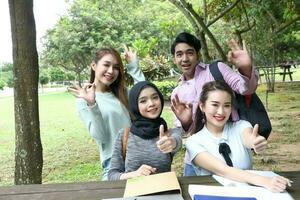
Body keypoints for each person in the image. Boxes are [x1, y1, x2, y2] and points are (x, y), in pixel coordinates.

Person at [170, 32, 259, 176]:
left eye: (190, 53)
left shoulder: (218, 69)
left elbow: (245, 88)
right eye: (179, 54)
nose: (184, 58)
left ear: (197, 55)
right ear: (174, 59)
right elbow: (184, 131)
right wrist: (186, 123)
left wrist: (246, 69)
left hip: (230, 150)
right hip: (198, 158)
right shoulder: (177, 93)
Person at [186, 80, 291, 193]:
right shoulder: (193, 142)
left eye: (227, 105)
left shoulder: (241, 126)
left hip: (250, 195)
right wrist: (266, 182)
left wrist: (255, 142)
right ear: (202, 106)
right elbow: (223, 171)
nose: (221, 112)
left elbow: (249, 138)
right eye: (215, 105)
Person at [68, 46, 145, 180]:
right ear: (93, 65)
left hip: (138, 156)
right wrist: (93, 105)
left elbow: (145, 94)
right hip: (114, 163)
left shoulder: (122, 93)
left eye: (116, 67)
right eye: (106, 65)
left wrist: (133, 66)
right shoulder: (84, 100)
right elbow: (101, 138)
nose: (111, 71)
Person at [108, 81, 182, 180]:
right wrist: (134, 174)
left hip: (164, 192)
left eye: (155, 97)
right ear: (135, 105)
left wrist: (171, 143)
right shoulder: (124, 135)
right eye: (143, 101)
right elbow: (112, 175)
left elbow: (177, 141)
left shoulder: (169, 133)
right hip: (133, 193)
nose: (151, 103)